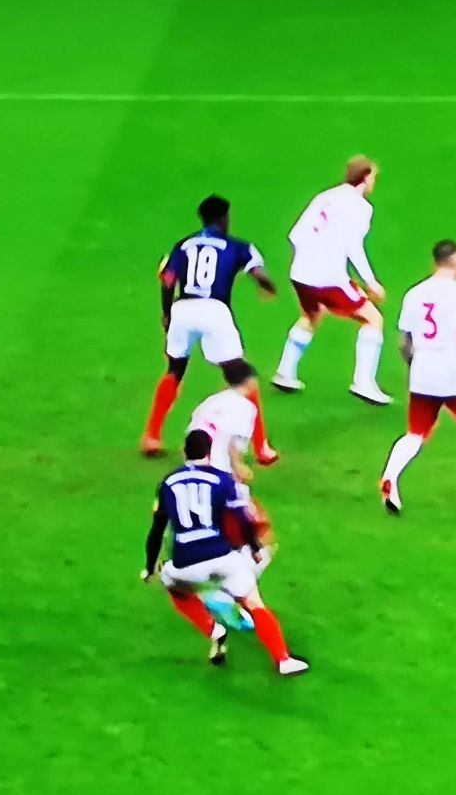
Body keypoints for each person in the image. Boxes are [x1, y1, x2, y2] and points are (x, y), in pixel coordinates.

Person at [143, 430, 309, 675]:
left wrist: (149, 567)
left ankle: (213, 630)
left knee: (173, 584)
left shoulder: (168, 483)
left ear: (184, 451)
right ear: (209, 452)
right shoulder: (222, 480)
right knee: (253, 603)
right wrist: (255, 548)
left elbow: (157, 529)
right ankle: (283, 660)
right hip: (222, 558)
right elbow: (242, 519)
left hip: (185, 564)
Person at [140, 195, 280, 463]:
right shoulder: (238, 246)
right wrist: (268, 287)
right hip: (214, 311)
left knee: (175, 370)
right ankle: (262, 447)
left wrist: (167, 313)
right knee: (241, 375)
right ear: (224, 218)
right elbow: (259, 274)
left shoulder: (183, 245)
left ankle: (152, 436)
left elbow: (167, 280)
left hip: (183, 309)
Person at [379, 241, 456, 515]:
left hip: (422, 374)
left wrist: (415, 369)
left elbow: (404, 342)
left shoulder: (414, 293)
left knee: (415, 433)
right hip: (454, 376)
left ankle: (390, 478)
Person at [272, 156, 392, 404]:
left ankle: (285, 372)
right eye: (373, 177)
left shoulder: (324, 197)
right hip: (328, 278)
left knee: (312, 315)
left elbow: (295, 235)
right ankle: (364, 383)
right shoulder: (361, 207)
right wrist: (371, 282)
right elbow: (353, 247)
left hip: (300, 273)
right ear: (365, 177)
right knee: (373, 318)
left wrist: (308, 261)